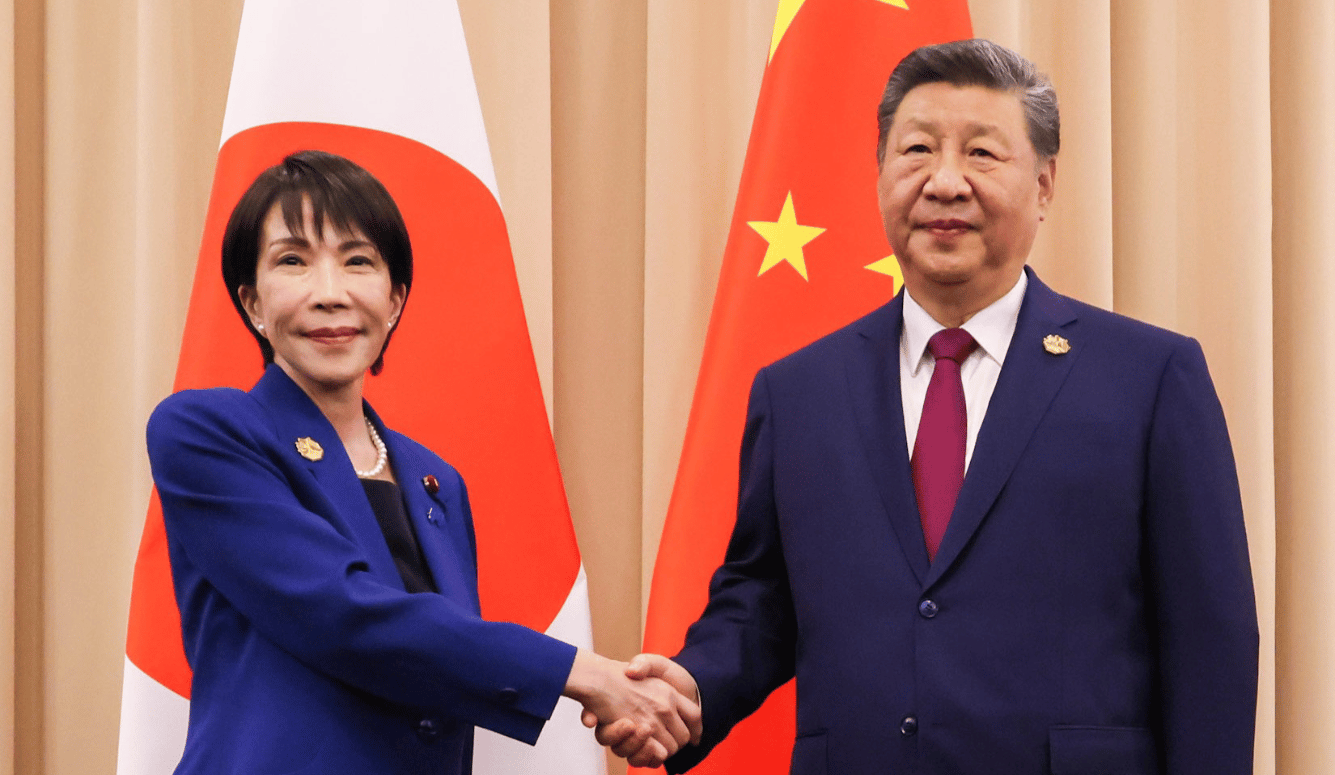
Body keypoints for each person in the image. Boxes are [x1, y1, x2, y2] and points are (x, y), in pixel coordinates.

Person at [613, 39, 1259, 774]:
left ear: (1044, 185)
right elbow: (761, 600)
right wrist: (691, 690)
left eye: (981, 154)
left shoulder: (1148, 377)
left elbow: (1210, 638)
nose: (944, 182)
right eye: (916, 150)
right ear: (880, 173)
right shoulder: (797, 392)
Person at [146, 150, 699, 774]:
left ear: (395, 300)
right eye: (293, 261)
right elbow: (341, 616)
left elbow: (441, 669)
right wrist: (585, 675)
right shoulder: (205, 431)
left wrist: (625, 695)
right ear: (251, 304)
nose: (330, 294)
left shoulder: (436, 481)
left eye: (358, 261)